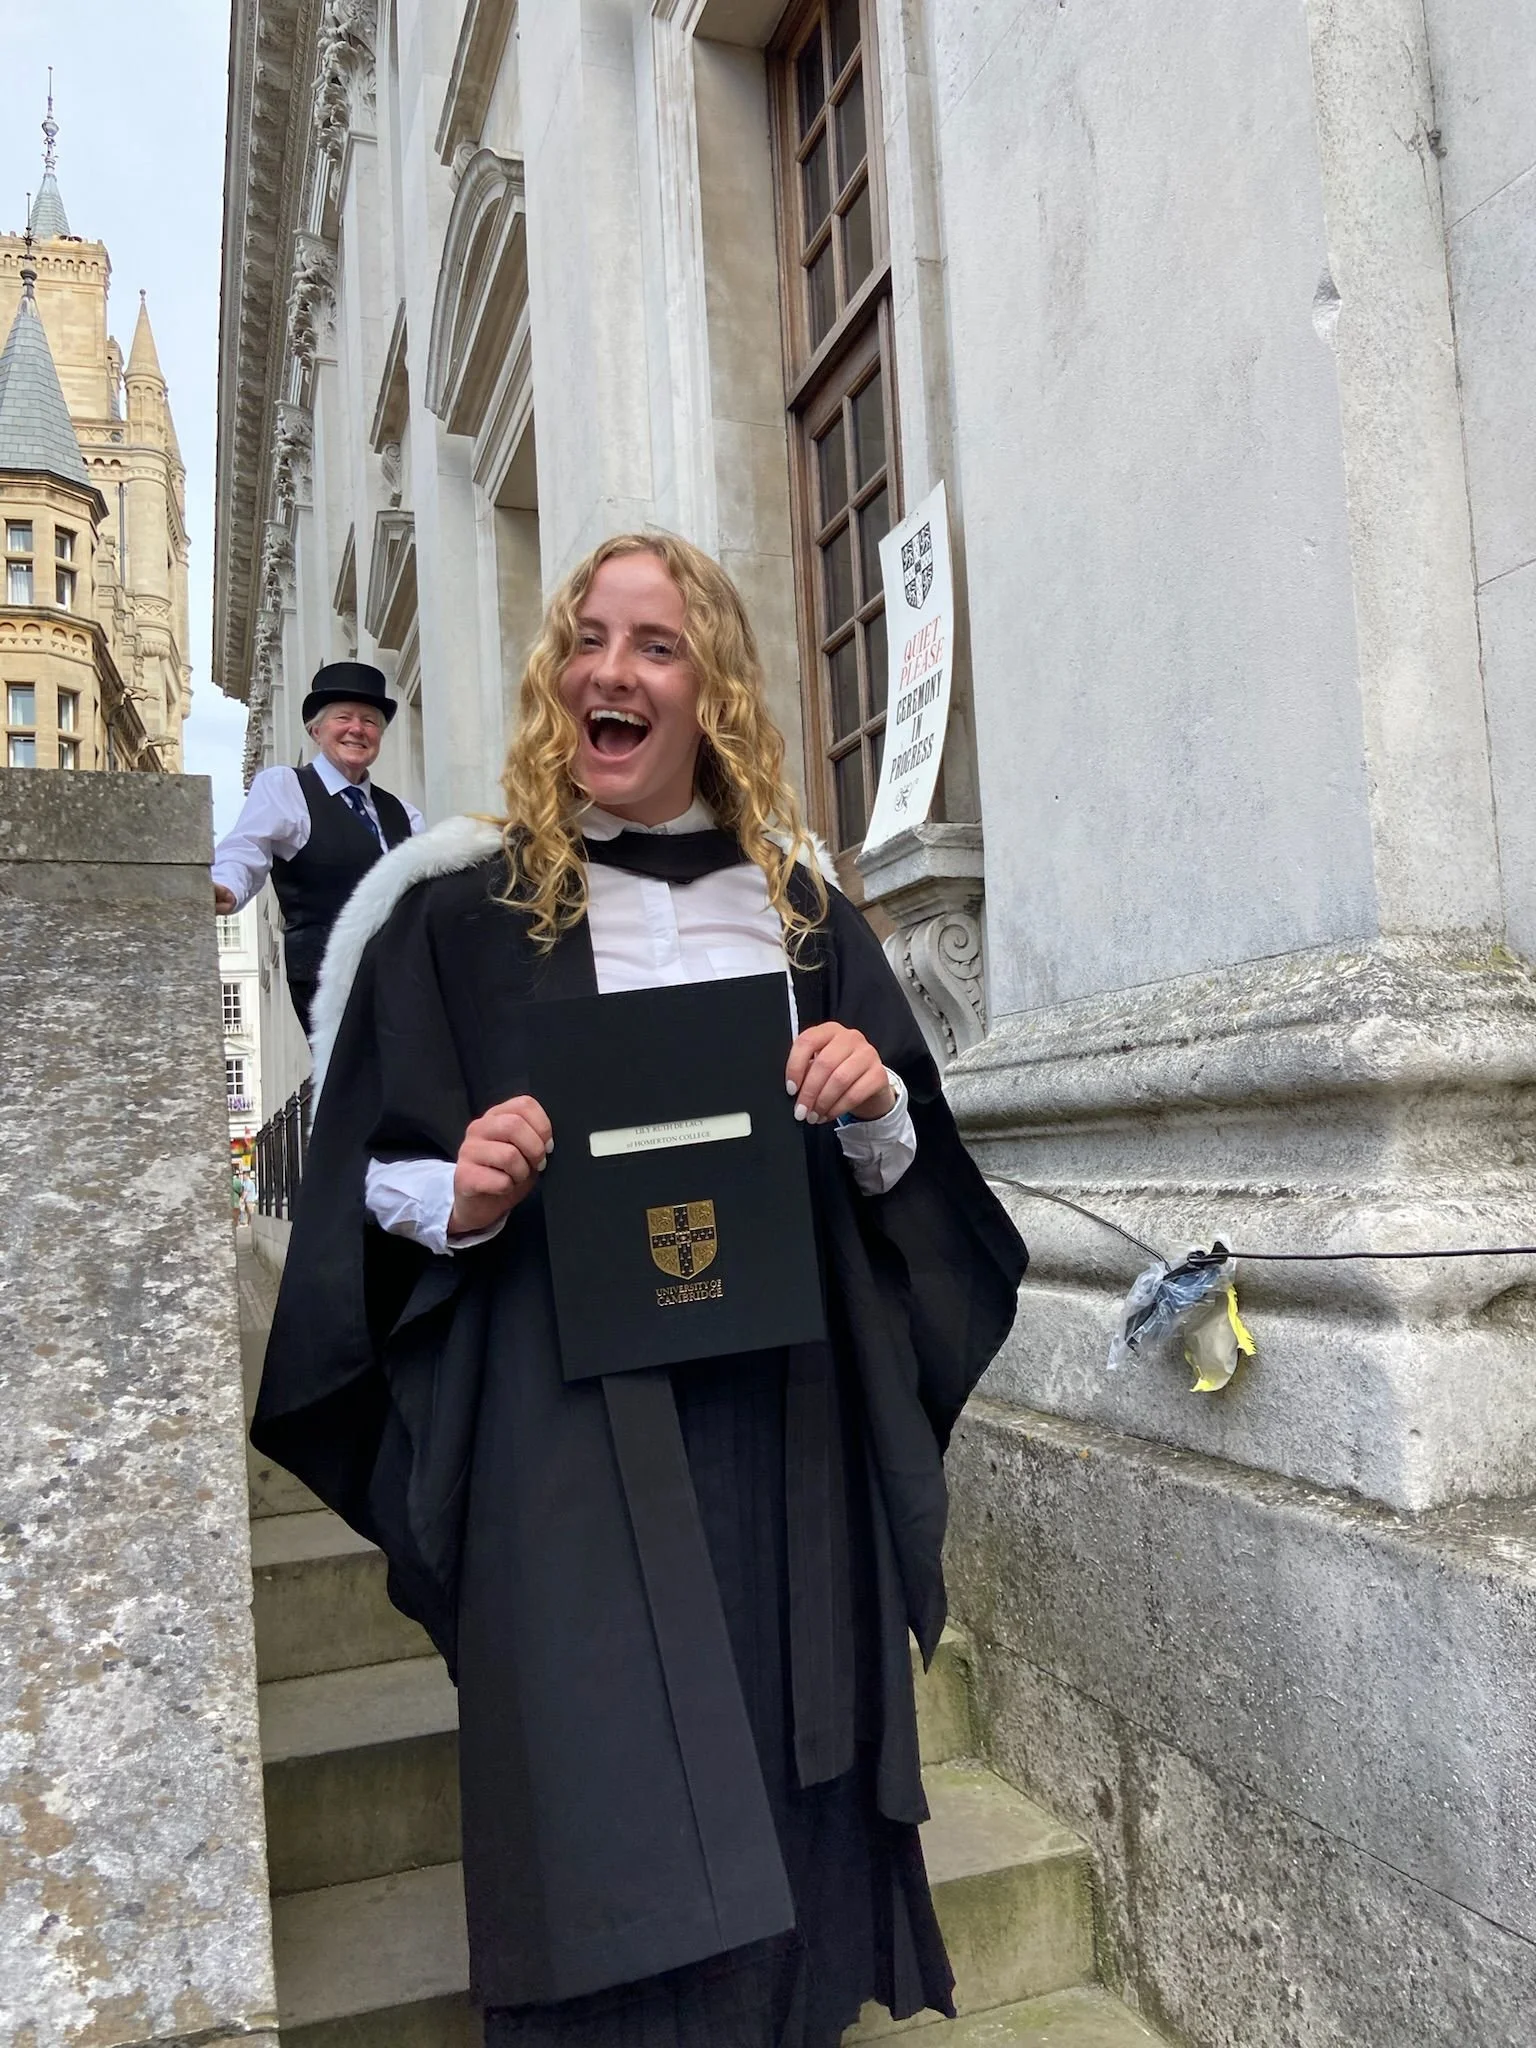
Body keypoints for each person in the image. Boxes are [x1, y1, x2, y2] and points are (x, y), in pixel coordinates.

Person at [252, 534, 1027, 2048]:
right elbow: (362, 1175)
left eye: (656, 645)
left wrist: (871, 1100)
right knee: (596, 1769)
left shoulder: (802, 916)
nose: (612, 672)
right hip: (567, 1419)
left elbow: (913, 1186)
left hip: (781, 1417)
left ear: (711, 688)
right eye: (589, 642)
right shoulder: (459, 916)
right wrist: (460, 1193)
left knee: (781, 1741)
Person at [210, 661, 424, 1035]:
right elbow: (246, 847)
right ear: (316, 730)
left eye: (370, 721)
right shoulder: (286, 788)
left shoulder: (405, 815)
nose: (357, 729)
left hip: (400, 977)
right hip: (328, 977)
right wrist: (226, 887)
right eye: (344, 718)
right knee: (352, 1081)